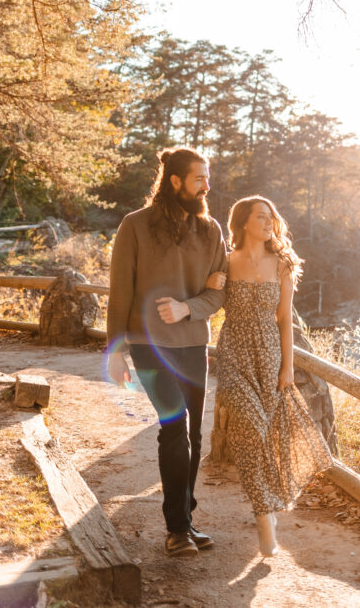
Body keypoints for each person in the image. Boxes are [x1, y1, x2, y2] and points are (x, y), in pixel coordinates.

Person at [106, 147, 227, 558]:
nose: (207, 185)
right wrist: (114, 350)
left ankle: (186, 519)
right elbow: (121, 291)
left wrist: (188, 308)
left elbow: (218, 292)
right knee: (174, 427)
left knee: (194, 433)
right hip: (148, 345)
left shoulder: (211, 230)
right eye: (199, 178)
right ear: (175, 182)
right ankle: (176, 529)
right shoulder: (135, 226)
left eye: (207, 178)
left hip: (194, 343)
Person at [209, 196, 333, 556]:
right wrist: (211, 282)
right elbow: (208, 300)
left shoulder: (282, 264)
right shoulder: (226, 261)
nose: (269, 222)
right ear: (243, 222)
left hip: (269, 355)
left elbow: (284, 321)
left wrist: (288, 367)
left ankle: (268, 501)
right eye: (261, 217)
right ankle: (264, 515)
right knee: (248, 428)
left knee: (268, 433)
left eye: (271, 217)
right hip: (233, 353)